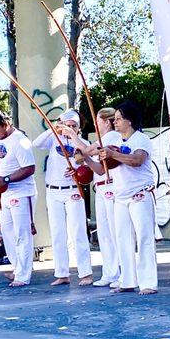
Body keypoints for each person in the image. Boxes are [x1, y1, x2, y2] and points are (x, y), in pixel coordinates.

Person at [98, 100, 158, 295]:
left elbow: (137, 160)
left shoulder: (140, 139)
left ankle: (148, 282)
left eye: (118, 119)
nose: (115, 123)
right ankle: (127, 280)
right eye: (114, 119)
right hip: (120, 195)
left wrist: (112, 154)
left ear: (129, 121)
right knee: (122, 237)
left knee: (144, 237)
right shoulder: (116, 142)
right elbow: (102, 167)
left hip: (140, 193)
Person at [32, 109, 93, 286]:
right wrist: (54, 129)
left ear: (79, 128)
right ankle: (62, 273)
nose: (70, 128)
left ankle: (85, 273)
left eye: (74, 126)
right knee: (58, 232)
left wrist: (77, 170)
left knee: (77, 231)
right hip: (53, 190)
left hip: (73, 190)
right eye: (68, 125)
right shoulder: (53, 138)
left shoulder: (82, 142)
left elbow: (85, 156)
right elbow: (36, 143)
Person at [63, 107, 122, 288]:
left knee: (114, 231)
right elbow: (98, 168)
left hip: (112, 188)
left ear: (106, 121)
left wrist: (72, 136)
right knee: (104, 233)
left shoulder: (111, 137)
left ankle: (122, 272)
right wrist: (85, 161)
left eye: (98, 120)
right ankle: (110, 273)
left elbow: (87, 149)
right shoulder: (102, 139)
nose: (96, 124)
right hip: (101, 187)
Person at [0, 109, 37, 287]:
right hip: (4, 193)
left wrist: (6, 179)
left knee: (22, 235)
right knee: (9, 234)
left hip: (21, 192)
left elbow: (29, 168)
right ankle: (17, 268)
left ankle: (24, 275)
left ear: (6, 124)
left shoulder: (20, 141)